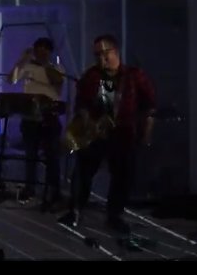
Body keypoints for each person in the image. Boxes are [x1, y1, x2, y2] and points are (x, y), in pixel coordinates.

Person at [58, 34, 156, 234]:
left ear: (116, 52)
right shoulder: (92, 76)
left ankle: (114, 216)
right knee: (83, 172)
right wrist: (87, 122)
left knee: (122, 176)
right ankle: (75, 211)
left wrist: (146, 132)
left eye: (105, 53)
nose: (101, 59)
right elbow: (81, 103)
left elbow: (149, 106)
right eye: (97, 55)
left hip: (123, 134)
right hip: (95, 133)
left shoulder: (134, 75)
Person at [8, 37, 65, 206]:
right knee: (30, 155)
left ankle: (54, 190)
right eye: (38, 48)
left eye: (45, 49)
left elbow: (58, 82)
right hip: (30, 117)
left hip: (49, 116)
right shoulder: (27, 67)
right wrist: (22, 60)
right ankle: (30, 187)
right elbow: (10, 79)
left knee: (51, 155)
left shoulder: (57, 68)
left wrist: (44, 64)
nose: (41, 52)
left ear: (50, 52)